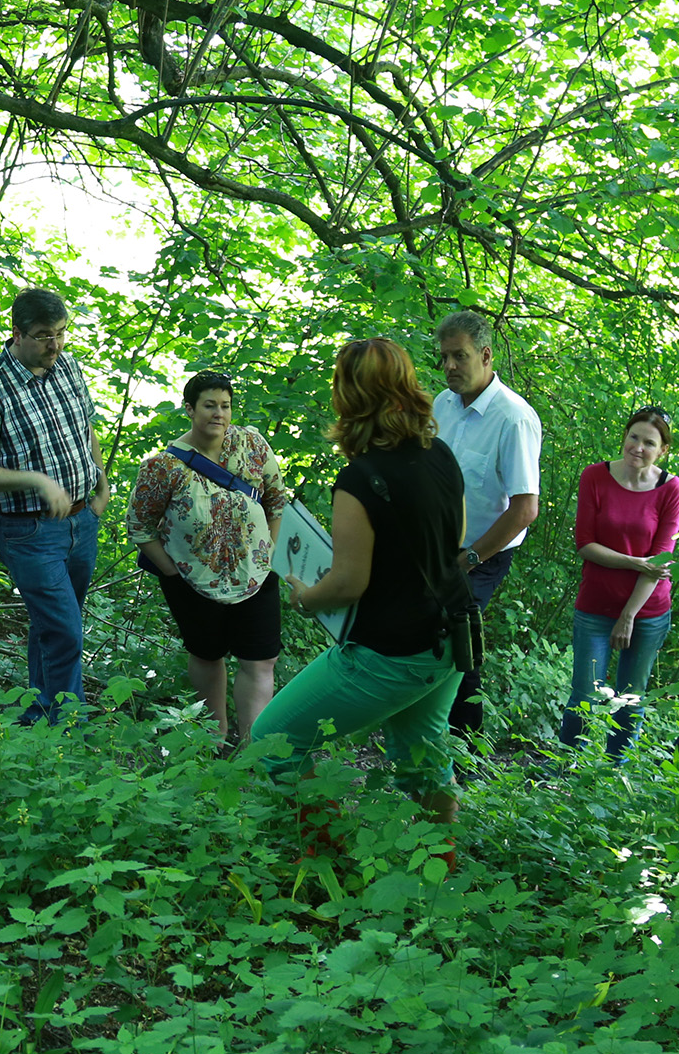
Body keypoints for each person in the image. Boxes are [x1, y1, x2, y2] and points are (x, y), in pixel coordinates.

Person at [246, 338, 468, 822]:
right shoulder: (440, 454)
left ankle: (328, 849)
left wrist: (307, 597)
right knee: (422, 757)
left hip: (390, 652)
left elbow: (349, 583)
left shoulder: (361, 479)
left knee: (272, 740)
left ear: (348, 396)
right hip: (451, 637)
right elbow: (453, 540)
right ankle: (443, 861)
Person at [0, 288, 108, 725]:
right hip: (28, 531)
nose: (54, 345)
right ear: (17, 333)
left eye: (61, 333)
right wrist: (36, 481)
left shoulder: (68, 366)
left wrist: (101, 484)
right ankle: (69, 729)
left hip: (81, 521)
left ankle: (41, 719)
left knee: (53, 626)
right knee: (64, 630)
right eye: (43, 336)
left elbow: (86, 427)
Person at [126, 371, 290, 746]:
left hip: (256, 577)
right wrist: (171, 572)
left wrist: (269, 552)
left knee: (260, 659)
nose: (219, 413)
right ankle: (213, 741)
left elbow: (276, 500)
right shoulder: (164, 466)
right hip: (192, 583)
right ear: (190, 409)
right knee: (206, 655)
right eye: (210, 405)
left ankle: (253, 748)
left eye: (225, 406)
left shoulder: (251, 445)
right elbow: (139, 525)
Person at [430, 308, 541, 742]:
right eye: (444, 357)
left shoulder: (513, 418)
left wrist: (470, 559)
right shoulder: (442, 405)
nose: (449, 366)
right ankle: (428, 734)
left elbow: (524, 509)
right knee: (428, 630)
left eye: (459, 356)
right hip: (437, 543)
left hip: (485, 550)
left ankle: (467, 748)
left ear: (486, 355)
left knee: (457, 634)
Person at [556, 406, 679, 760]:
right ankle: (565, 767)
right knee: (584, 693)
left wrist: (628, 616)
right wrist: (634, 561)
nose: (638, 447)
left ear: (663, 450)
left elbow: (660, 561)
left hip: (647, 611)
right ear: (624, 437)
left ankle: (616, 772)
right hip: (596, 605)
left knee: (631, 697)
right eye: (634, 437)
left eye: (649, 442)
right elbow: (585, 544)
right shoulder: (595, 477)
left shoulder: (671, 488)